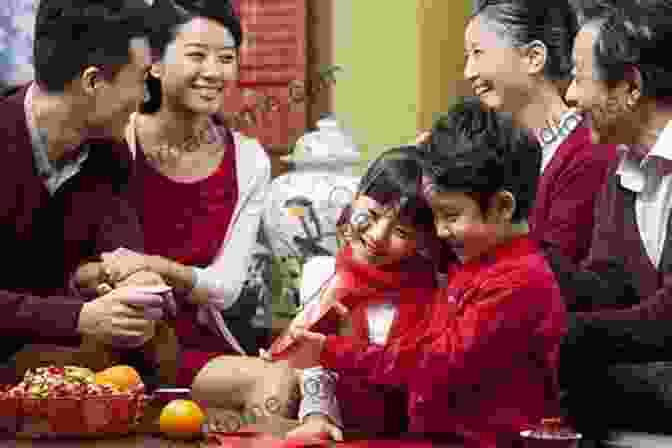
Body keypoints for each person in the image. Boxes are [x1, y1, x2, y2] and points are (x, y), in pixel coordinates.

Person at [276, 97, 568, 447]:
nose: (441, 231)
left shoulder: (517, 282)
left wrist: (333, 351)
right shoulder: (475, 255)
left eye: (450, 216)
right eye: (435, 218)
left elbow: (433, 362)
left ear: (503, 206)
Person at [192, 146, 440, 441]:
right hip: (313, 402)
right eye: (371, 215)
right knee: (258, 380)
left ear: (423, 241)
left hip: (372, 424)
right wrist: (316, 412)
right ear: (356, 197)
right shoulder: (325, 273)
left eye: (401, 232)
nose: (377, 236)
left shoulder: (427, 296)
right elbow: (313, 366)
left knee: (273, 387)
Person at [90, 0, 272, 387]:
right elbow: (86, 260)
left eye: (226, 58)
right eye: (196, 55)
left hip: (198, 347)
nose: (213, 72)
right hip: (109, 332)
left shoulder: (249, 159)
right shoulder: (116, 139)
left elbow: (225, 289)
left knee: (276, 383)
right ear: (153, 63)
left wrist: (154, 266)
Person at [0, 0, 173, 384]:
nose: (146, 98)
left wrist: (133, 282)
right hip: (31, 360)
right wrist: (78, 316)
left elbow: (117, 252)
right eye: (142, 78)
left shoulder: (110, 156)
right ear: (93, 82)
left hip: (54, 366)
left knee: (154, 347)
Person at [552, 1, 672, 442]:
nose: (570, 96)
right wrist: (511, 247)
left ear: (631, 86)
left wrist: (555, 337)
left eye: (580, 78)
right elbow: (606, 285)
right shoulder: (624, 169)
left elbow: (665, 318)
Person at [463, 0, 616, 275]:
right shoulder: (497, 154)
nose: (468, 72)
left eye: (478, 53)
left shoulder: (588, 154)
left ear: (533, 57)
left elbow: (555, 272)